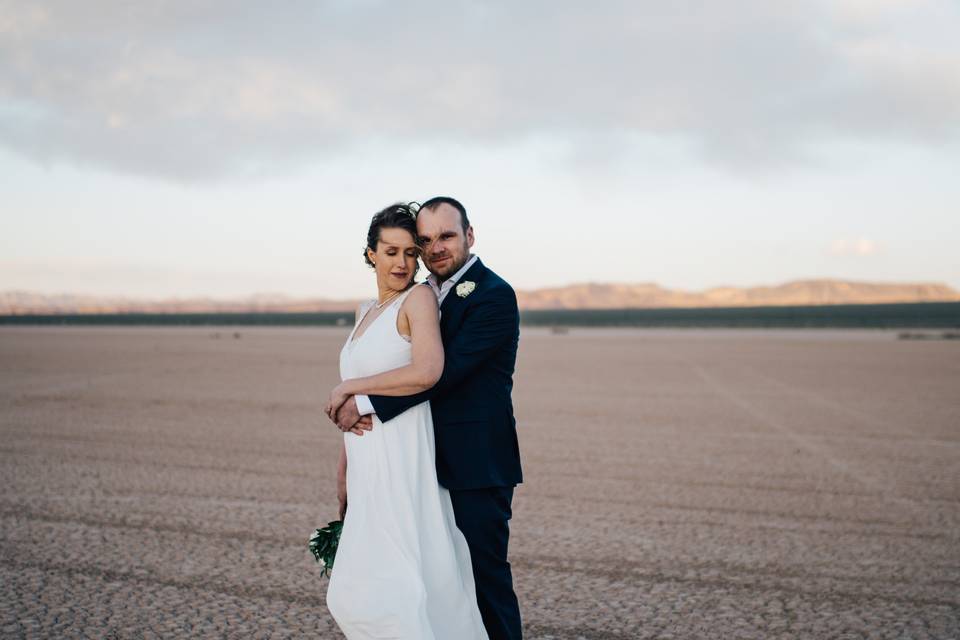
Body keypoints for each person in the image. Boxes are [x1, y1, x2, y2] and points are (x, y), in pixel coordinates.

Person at [328, 197, 523, 640]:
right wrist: (349, 458)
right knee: (433, 583)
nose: (435, 248)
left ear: (469, 236)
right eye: (426, 240)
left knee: (482, 583)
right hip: (415, 462)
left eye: (446, 236)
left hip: (474, 464)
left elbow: (441, 374)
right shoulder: (421, 295)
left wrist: (360, 401)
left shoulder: (493, 295)